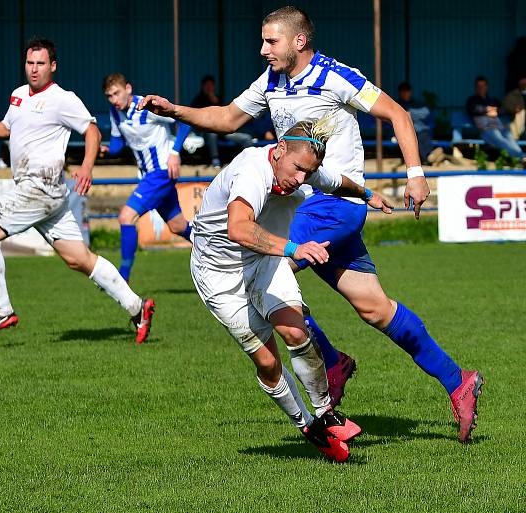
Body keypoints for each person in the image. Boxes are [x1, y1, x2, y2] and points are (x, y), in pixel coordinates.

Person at [139, 5, 483, 443]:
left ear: (298, 40)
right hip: (311, 206)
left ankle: (330, 361)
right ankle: (459, 381)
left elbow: (397, 113)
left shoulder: (335, 76)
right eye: (263, 41)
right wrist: (175, 111)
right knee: (375, 308)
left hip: (331, 204)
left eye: (271, 41)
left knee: (269, 272)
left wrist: (416, 174)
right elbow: (226, 118)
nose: (264, 49)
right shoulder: (271, 82)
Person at [191, 117, 393, 461]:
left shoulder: (303, 165)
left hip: (264, 261)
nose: (301, 179)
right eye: (298, 169)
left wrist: (369, 194)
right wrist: (293, 249)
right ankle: (307, 425)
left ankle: (326, 413)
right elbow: (239, 228)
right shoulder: (252, 171)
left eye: (307, 172)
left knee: (295, 331)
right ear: (279, 149)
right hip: (220, 276)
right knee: (268, 363)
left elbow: (335, 182)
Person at [0, 37, 155, 343]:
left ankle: (2, 311)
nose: (34, 69)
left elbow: (91, 130)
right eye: (30, 63)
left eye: (40, 63)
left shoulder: (62, 99)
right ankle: (137, 307)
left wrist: (88, 166)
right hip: (47, 195)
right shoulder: (17, 96)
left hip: (38, 187)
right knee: (79, 259)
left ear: (52, 66)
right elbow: (7, 128)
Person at [100, 72, 193, 281]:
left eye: (116, 93)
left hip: (160, 173)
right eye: (109, 96)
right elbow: (117, 144)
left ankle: (122, 277)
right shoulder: (116, 114)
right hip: (150, 177)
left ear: (129, 89)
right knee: (178, 226)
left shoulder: (147, 107)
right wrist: (106, 149)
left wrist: (175, 152)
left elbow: (185, 122)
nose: (114, 99)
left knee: (126, 216)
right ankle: (216, 247)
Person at [190, 75, 254, 168]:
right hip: (206, 132)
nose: (209, 87)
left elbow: (227, 115)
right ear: (203, 86)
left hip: (223, 130)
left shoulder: (217, 98)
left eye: (211, 85)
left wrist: (213, 99)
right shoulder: (198, 100)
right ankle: (215, 160)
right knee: (212, 134)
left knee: (246, 138)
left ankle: (248, 162)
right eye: (207, 85)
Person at [466, 76, 525, 166]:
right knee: (501, 140)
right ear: (475, 88)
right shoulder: (472, 100)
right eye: (478, 86)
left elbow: (503, 110)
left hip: (500, 127)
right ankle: (521, 157)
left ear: (487, 87)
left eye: (483, 86)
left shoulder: (492, 100)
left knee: (510, 138)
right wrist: (487, 110)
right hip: (487, 129)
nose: (481, 88)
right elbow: (474, 109)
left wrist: (496, 112)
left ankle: (521, 158)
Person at [397, 81, 444, 165]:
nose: (406, 93)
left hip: (420, 129)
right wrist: (412, 114)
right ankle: (429, 157)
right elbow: (397, 114)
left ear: (411, 92)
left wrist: (410, 113)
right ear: (400, 93)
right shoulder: (397, 103)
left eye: (407, 91)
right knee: (414, 135)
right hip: (404, 129)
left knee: (423, 134)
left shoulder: (416, 103)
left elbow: (425, 112)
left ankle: (429, 156)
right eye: (403, 91)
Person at [502, 77, 526, 141]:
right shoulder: (512, 95)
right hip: (514, 124)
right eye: (522, 81)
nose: (524, 83)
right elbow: (505, 107)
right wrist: (514, 109)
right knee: (522, 113)